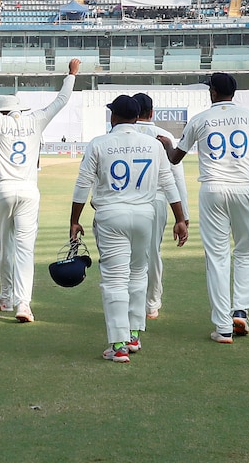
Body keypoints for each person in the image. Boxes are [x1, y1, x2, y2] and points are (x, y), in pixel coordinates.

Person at [0, 49, 79, 323]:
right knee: (24, 250)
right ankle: (23, 304)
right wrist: (71, 74)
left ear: (4, 110)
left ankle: (6, 296)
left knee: (5, 247)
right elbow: (62, 100)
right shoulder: (35, 120)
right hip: (29, 190)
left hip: (4, 189)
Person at [160, 72, 249, 343]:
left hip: (213, 190)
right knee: (245, 251)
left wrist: (168, 144)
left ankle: (223, 327)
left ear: (213, 93)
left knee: (218, 257)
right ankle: (240, 312)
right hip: (244, 189)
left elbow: (174, 159)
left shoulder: (200, 119)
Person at [70, 95, 188, 362]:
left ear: (113, 117)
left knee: (114, 280)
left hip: (111, 216)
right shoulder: (153, 145)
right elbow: (168, 183)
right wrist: (180, 218)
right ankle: (133, 335)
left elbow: (82, 185)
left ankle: (119, 344)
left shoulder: (99, 144)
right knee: (138, 274)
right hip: (145, 216)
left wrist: (74, 220)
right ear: (137, 117)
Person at [131, 91, 190, 320]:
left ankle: (129, 300)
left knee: (127, 254)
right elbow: (177, 176)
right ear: (152, 112)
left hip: (127, 200)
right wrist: (183, 215)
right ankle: (152, 303)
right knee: (153, 252)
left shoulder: (121, 134)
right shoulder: (163, 135)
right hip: (156, 201)